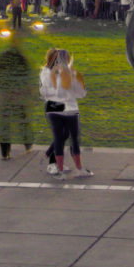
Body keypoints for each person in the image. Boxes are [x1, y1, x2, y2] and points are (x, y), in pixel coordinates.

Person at [40, 48, 90, 179]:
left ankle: (59, 168)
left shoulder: (49, 73)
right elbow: (81, 94)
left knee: (61, 137)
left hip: (54, 109)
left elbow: (44, 93)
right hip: (68, 109)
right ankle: (74, 168)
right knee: (71, 138)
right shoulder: (68, 73)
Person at [0, 37, 34, 160]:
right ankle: (27, 143)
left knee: (5, 124)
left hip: (5, 93)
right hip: (17, 94)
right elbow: (26, 75)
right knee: (22, 119)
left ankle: (5, 152)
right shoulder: (21, 57)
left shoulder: (2, 57)